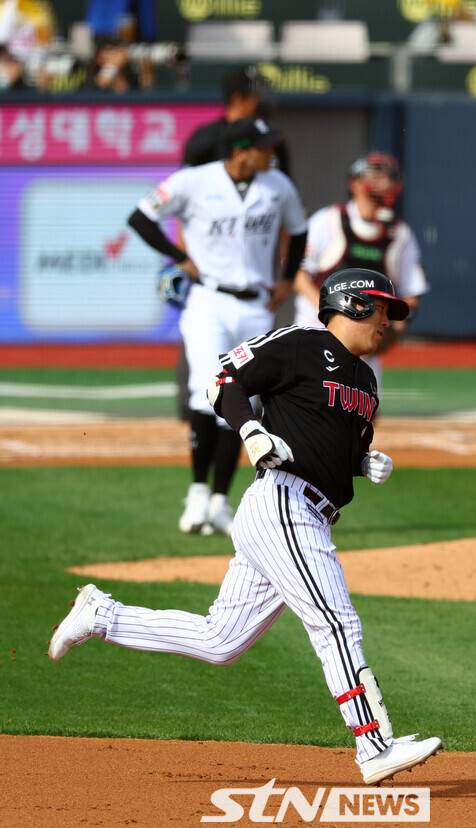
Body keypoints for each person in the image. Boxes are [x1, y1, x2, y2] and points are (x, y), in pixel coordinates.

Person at [48, 267, 443, 786]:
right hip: (284, 504)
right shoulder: (301, 343)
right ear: (352, 305)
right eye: (383, 309)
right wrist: (251, 429)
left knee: (221, 640)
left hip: (307, 514)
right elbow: (223, 379)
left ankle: (103, 615)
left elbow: (331, 443)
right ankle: (373, 745)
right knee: (335, 623)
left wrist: (363, 461)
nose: (388, 321)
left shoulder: (365, 379)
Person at [127, 117, 307, 536]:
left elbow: (298, 232)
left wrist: (287, 279)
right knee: (205, 388)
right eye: (263, 147)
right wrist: (179, 257)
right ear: (241, 150)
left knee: (244, 397)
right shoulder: (194, 181)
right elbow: (141, 217)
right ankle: (196, 493)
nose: (271, 153)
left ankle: (220, 500)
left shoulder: (277, 185)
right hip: (208, 299)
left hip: (257, 304)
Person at [175, 64, 292, 422]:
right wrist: (184, 256)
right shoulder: (204, 141)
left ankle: (242, 423)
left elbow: (283, 211)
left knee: (250, 362)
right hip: (210, 265)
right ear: (241, 98)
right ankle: (195, 414)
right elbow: (182, 205)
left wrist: (284, 273)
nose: (264, 98)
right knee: (203, 346)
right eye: (257, 92)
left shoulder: (271, 141)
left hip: (252, 266)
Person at [294, 151, 428, 384]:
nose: (383, 183)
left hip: (365, 342)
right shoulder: (329, 219)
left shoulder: (399, 234)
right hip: (316, 332)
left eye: (388, 177)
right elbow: (299, 275)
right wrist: (331, 313)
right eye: (375, 176)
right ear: (354, 183)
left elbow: (412, 295)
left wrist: (393, 332)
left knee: (361, 404)